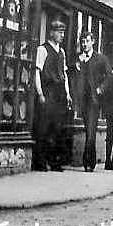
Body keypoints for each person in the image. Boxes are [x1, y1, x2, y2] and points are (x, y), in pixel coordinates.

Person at [34, 19, 72, 171]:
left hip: (60, 94)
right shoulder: (42, 50)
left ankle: (55, 162)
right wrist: (40, 93)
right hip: (48, 91)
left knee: (58, 128)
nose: (62, 35)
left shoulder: (62, 52)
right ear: (51, 33)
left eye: (63, 32)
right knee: (44, 128)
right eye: (59, 32)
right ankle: (40, 162)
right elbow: (37, 72)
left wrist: (68, 93)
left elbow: (65, 74)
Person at [70, 31, 109, 172]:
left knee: (91, 131)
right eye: (82, 42)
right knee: (87, 129)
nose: (84, 44)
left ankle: (89, 162)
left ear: (93, 42)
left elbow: (108, 76)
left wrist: (101, 89)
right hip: (81, 99)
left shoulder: (100, 59)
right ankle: (88, 161)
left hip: (93, 100)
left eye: (87, 41)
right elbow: (72, 76)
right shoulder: (77, 58)